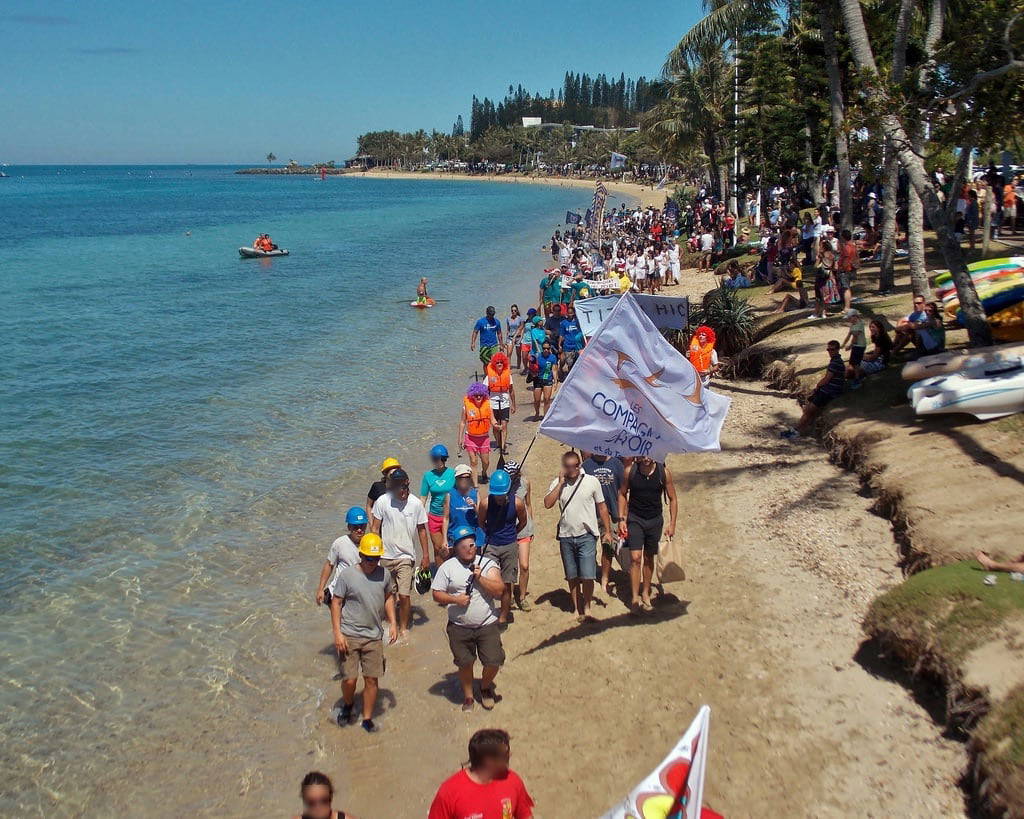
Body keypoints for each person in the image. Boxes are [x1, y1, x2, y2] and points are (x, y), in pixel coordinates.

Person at [431, 527, 507, 711]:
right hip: (458, 626)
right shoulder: (447, 567)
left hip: (486, 624)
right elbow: (436, 594)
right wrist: (455, 599)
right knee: (465, 663)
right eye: (463, 545)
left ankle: (485, 687)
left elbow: (499, 590)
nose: (469, 549)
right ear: (455, 548)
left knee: (494, 660)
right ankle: (468, 697)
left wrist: (480, 579)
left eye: (472, 544)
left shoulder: (488, 564)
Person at [328, 532, 398, 732]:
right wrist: (337, 633)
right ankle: (348, 705)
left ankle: (367, 719)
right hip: (349, 635)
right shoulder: (347, 575)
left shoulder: (384, 575)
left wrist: (392, 623)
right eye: (368, 558)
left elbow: (388, 598)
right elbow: (336, 602)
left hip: (373, 636)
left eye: (376, 558)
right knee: (349, 679)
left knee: (371, 679)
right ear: (361, 555)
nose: (372, 563)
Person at [543, 450, 613, 623]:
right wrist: (560, 484)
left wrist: (608, 531)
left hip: (586, 535)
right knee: (572, 575)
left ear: (579, 465)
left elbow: (602, 507)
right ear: (564, 467)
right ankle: (576, 607)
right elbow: (547, 503)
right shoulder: (558, 483)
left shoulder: (591, 482)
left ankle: (587, 606)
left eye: (574, 466)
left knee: (588, 575)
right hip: (566, 535)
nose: (572, 470)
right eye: (568, 467)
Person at [370, 468, 430, 640]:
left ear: (407, 483)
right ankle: (391, 624)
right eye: (396, 488)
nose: (400, 491)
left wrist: (425, 556)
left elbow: (422, 530)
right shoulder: (383, 501)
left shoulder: (416, 504)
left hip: (406, 556)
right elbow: (374, 528)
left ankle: (403, 628)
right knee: (389, 596)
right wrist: (374, 553)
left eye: (403, 487)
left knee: (404, 595)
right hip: (385, 557)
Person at [428, 729, 534, 819]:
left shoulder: (512, 780)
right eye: (505, 754)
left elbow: (525, 815)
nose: (510, 755)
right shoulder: (449, 793)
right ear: (488, 760)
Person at [617, 457, 678, 612]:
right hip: (635, 519)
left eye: (649, 454)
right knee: (635, 558)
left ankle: (645, 592)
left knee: (649, 557)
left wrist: (672, 524)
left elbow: (673, 499)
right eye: (643, 454)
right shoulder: (630, 471)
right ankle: (635, 598)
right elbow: (622, 493)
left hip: (655, 520)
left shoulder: (663, 472)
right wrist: (621, 518)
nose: (646, 458)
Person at [476, 469, 527, 627]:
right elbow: (481, 523)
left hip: (510, 546)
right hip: (490, 545)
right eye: (496, 494)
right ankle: (488, 613)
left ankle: (504, 616)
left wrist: (511, 535)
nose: (499, 498)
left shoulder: (517, 502)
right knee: (489, 582)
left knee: (507, 583)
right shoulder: (485, 503)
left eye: (501, 494)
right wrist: (491, 536)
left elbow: (523, 522)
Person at [781, 340, 845, 439]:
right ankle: (800, 428)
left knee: (808, 410)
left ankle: (797, 431)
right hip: (828, 390)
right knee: (808, 408)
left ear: (837, 349)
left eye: (832, 349)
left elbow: (827, 379)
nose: (829, 351)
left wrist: (818, 385)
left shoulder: (835, 363)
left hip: (829, 392)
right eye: (828, 349)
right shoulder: (836, 361)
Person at [581, 452, 626, 594]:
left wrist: (622, 516)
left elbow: (622, 492)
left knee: (608, 547)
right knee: (589, 548)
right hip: (591, 513)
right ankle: (588, 574)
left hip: (611, 512)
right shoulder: (586, 465)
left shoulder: (616, 464)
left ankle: (605, 578)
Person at [315, 506, 366, 606]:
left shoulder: (370, 543)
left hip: (359, 593)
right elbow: (329, 565)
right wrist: (320, 589)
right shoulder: (339, 543)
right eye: (355, 527)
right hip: (338, 592)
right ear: (349, 527)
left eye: (362, 526)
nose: (359, 530)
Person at [503, 460, 534, 612]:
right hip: (508, 528)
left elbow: (528, 505)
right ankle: (508, 597)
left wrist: (531, 525)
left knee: (524, 565)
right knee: (510, 566)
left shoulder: (525, 483)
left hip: (523, 528)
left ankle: (522, 597)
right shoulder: (503, 485)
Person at [420, 444, 455, 565]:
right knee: (439, 548)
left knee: (450, 548)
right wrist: (418, 517)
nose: (435, 461)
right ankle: (441, 575)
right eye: (434, 459)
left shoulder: (452, 474)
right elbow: (423, 498)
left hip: (450, 516)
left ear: (444, 458)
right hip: (434, 516)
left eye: (438, 458)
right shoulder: (428, 476)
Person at [443, 463, 484, 548]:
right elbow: (446, 518)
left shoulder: (475, 494)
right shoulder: (450, 495)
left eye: (467, 477)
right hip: (455, 536)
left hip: (473, 537)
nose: (464, 480)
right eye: (461, 478)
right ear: (456, 479)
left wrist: (474, 506)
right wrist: (444, 539)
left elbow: (481, 517)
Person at [459, 382, 493, 483]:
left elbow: (493, 420)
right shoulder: (466, 407)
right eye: (476, 395)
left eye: (480, 395)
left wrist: (497, 426)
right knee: (473, 462)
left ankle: (483, 472)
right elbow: (462, 423)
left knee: (486, 462)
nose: (478, 397)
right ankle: (476, 486)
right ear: (472, 395)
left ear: (484, 395)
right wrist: (460, 439)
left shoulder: (488, 405)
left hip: (484, 438)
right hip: (470, 437)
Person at [485, 353, 516, 455]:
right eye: (497, 363)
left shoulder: (508, 375)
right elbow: (484, 392)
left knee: (504, 425)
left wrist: (513, 404)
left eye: (501, 363)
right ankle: (498, 442)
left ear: (504, 363)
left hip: (505, 403)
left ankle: (502, 447)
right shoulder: (489, 376)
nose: (499, 364)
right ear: (494, 364)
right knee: (495, 426)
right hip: (492, 403)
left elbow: (511, 390)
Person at [847, 319, 893, 386]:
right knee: (851, 366)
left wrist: (863, 357)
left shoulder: (881, 338)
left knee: (851, 368)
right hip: (878, 360)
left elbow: (873, 357)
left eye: (873, 327)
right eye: (870, 327)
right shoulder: (877, 336)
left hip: (880, 363)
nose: (871, 329)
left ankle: (858, 378)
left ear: (879, 328)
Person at [529, 341, 557, 420]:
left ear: (550, 348)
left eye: (547, 348)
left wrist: (555, 381)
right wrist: (532, 372)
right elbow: (531, 366)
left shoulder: (553, 357)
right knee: (537, 400)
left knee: (547, 399)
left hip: (547, 379)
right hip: (538, 379)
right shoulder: (537, 356)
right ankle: (537, 413)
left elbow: (554, 369)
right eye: (544, 348)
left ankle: (545, 416)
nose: (546, 350)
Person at [558, 304, 584, 380]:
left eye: (571, 313)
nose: (570, 315)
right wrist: (559, 345)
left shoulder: (578, 322)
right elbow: (561, 335)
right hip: (568, 346)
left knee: (576, 363)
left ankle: (573, 378)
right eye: (568, 313)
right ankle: (565, 374)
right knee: (569, 362)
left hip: (578, 346)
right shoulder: (564, 323)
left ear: (574, 313)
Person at [837, 228, 858, 309]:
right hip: (852, 268)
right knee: (846, 287)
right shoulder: (853, 246)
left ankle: (847, 307)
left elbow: (846, 258)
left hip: (846, 269)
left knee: (846, 288)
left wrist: (841, 268)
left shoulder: (846, 247)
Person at [506, 304, 525, 370]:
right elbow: (508, 329)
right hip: (510, 337)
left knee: (518, 354)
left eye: (515, 310)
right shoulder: (508, 319)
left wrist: (515, 337)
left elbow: (521, 328)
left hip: (518, 338)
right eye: (512, 310)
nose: (513, 312)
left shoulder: (520, 319)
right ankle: (508, 368)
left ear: (517, 311)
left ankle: (518, 368)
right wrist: (506, 339)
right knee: (509, 354)